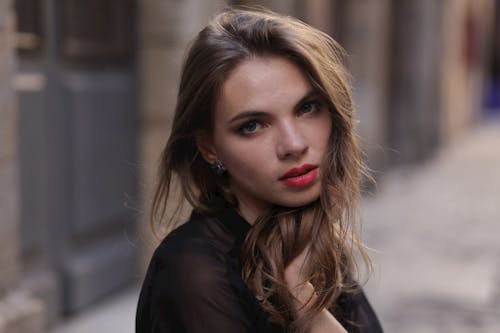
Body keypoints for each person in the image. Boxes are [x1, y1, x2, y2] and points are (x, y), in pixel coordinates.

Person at [136, 7, 383, 333]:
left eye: (307, 108)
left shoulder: (308, 240)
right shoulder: (194, 275)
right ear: (209, 147)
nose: (293, 144)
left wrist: (303, 295)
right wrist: (305, 309)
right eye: (253, 125)